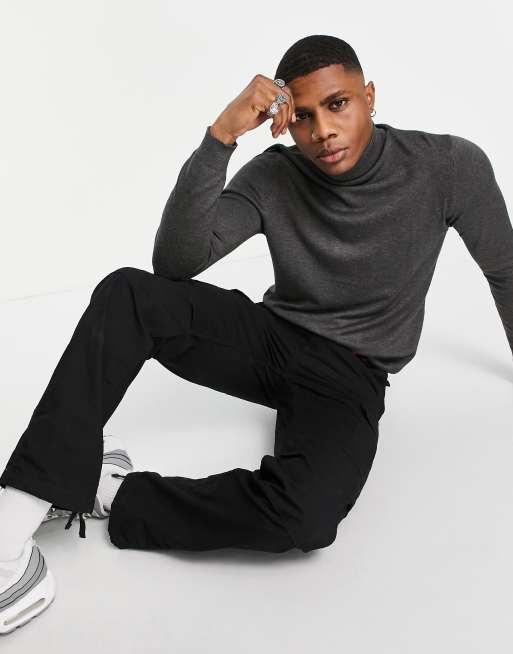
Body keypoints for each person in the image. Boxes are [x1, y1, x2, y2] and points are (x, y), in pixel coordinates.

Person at [1, 33, 512, 634]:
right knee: (129, 294)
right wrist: (221, 136)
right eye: (304, 116)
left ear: (370, 96)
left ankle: (106, 488)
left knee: (306, 520)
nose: (323, 131)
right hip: (272, 339)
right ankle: (11, 526)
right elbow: (176, 264)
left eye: (338, 105)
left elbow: (504, 269)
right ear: (285, 121)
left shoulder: (448, 166)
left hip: (352, 373)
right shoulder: (276, 174)